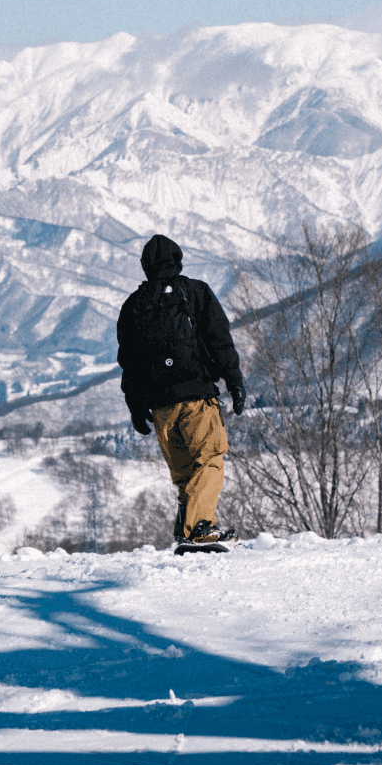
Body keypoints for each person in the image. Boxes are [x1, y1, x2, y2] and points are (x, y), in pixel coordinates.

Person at [116, 233, 244, 548]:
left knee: (186, 473)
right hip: (197, 396)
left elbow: (129, 362)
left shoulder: (133, 305)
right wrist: (235, 381)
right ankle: (199, 529)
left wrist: (135, 406)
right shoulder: (196, 292)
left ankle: (185, 530)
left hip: (161, 406)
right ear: (178, 259)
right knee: (210, 460)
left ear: (145, 266)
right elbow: (220, 340)